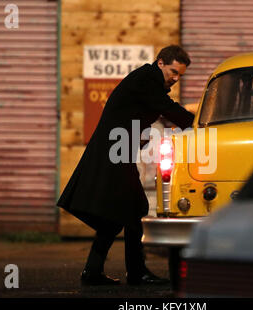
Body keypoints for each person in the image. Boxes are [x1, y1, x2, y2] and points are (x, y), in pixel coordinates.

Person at [57, 45, 195, 285]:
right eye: (173, 72)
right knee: (136, 207)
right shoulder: (147, 80)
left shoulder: (148, 80)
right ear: (160, 63)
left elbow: (151, 111)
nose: (175, 78)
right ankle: (136, 272)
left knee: (114, 216)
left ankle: (93, 272)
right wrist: (200, 123)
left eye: (180, 75)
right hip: (113, 154)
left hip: (116, 153)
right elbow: (169, 109)